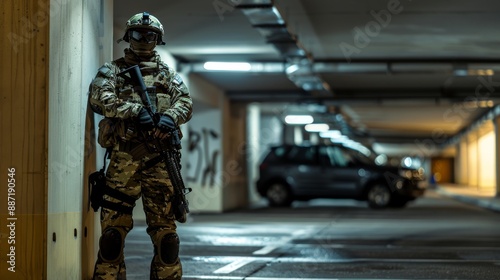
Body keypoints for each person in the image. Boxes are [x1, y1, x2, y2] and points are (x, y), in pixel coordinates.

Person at [88, 12, 192, 280]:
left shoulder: (170, 77)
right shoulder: (111, 71)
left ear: (158, 40)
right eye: (137, 34)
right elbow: (100, 99)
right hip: (124, 159)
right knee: (111, 237)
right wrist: (133, 110)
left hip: (161, 162)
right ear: (128, 36)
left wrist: (169, 117)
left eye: (149, 36)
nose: (143, 40)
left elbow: (185, 103)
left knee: (167, 239)